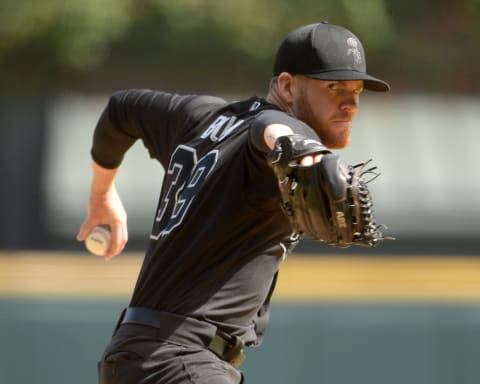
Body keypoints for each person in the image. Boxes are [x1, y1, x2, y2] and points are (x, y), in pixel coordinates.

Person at [77, 21, 389, 384]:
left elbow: (121, 109)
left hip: (134, 356)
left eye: (356, 90)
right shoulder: (289, 128)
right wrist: (302, 149)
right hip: (184, 362)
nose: (350, 104)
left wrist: (101, 195)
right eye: (333, 87)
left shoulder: (202, 118)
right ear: (287, 86)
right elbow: (272, 130)